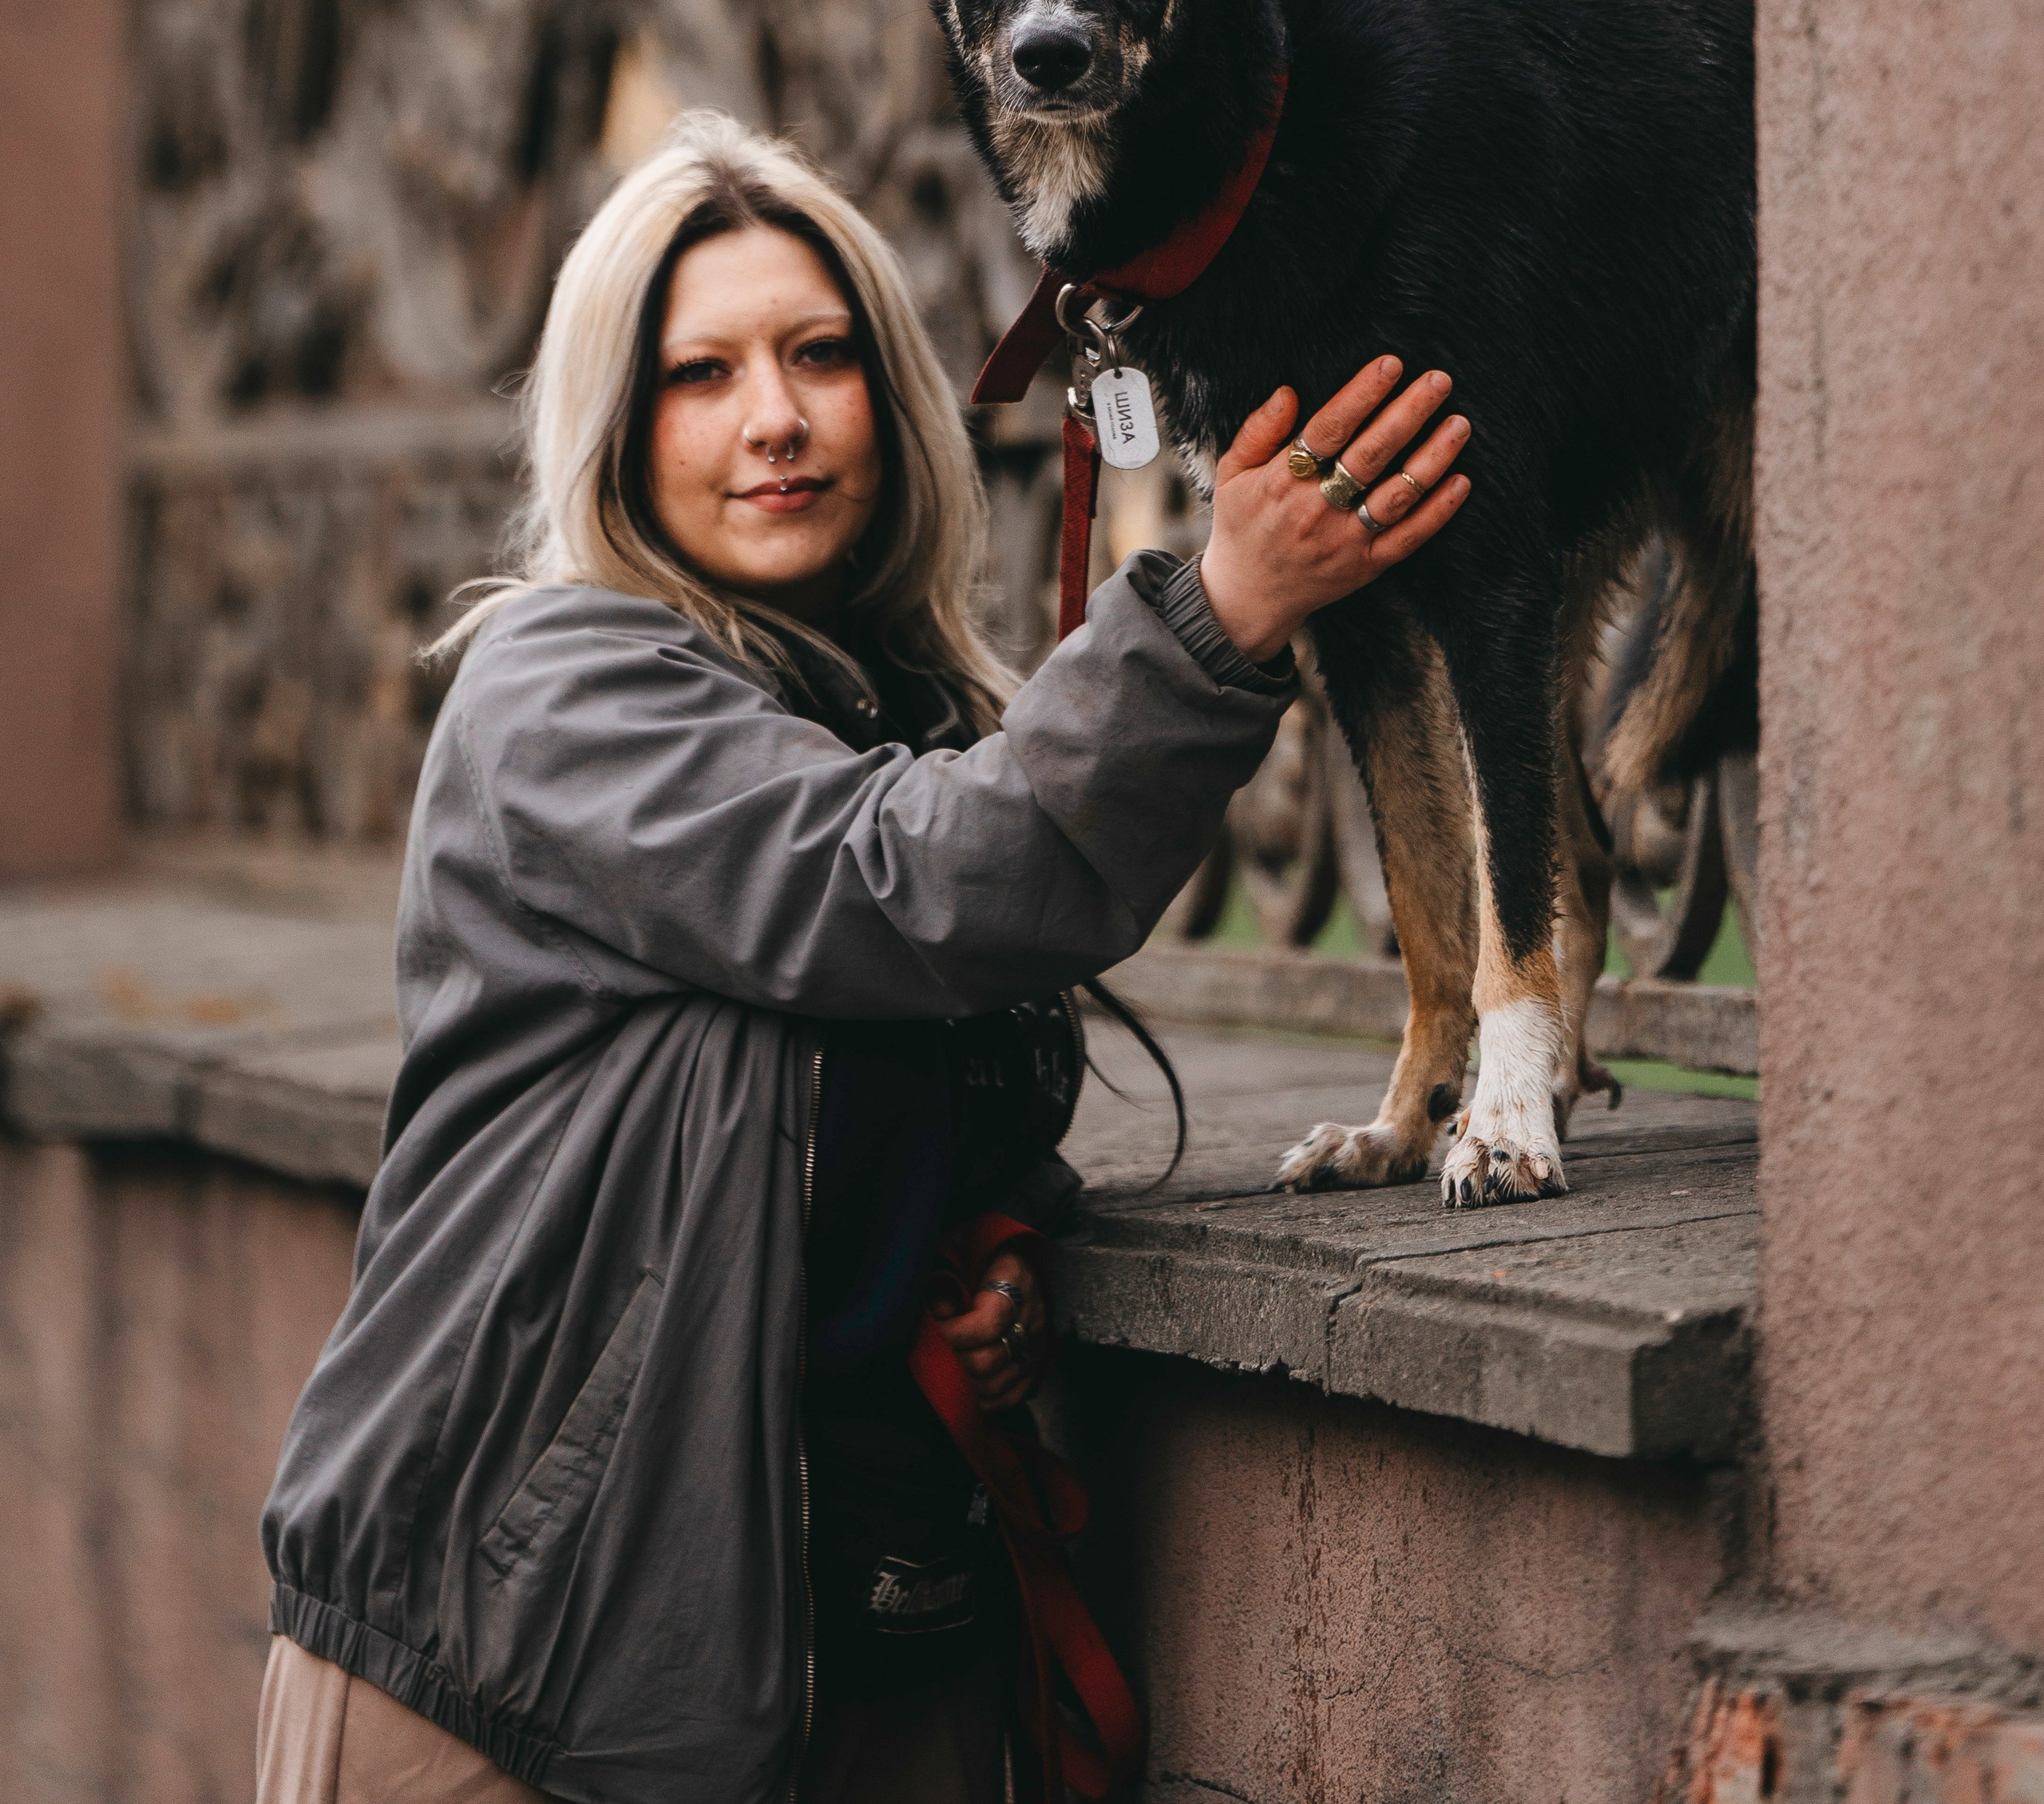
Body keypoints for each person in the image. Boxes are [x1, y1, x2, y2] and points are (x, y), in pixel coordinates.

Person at [256, 111, 1470, 1804]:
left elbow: (863, 1088)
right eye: (700, 373)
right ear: (615, 427)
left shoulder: (897, 714)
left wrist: (997, 1253)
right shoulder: (560, 694)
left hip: (859, 1646)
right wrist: (1213, 611)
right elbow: (913, 887)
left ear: (890, 396)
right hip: (508, 1663)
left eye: (819, 353)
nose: (775, 415)